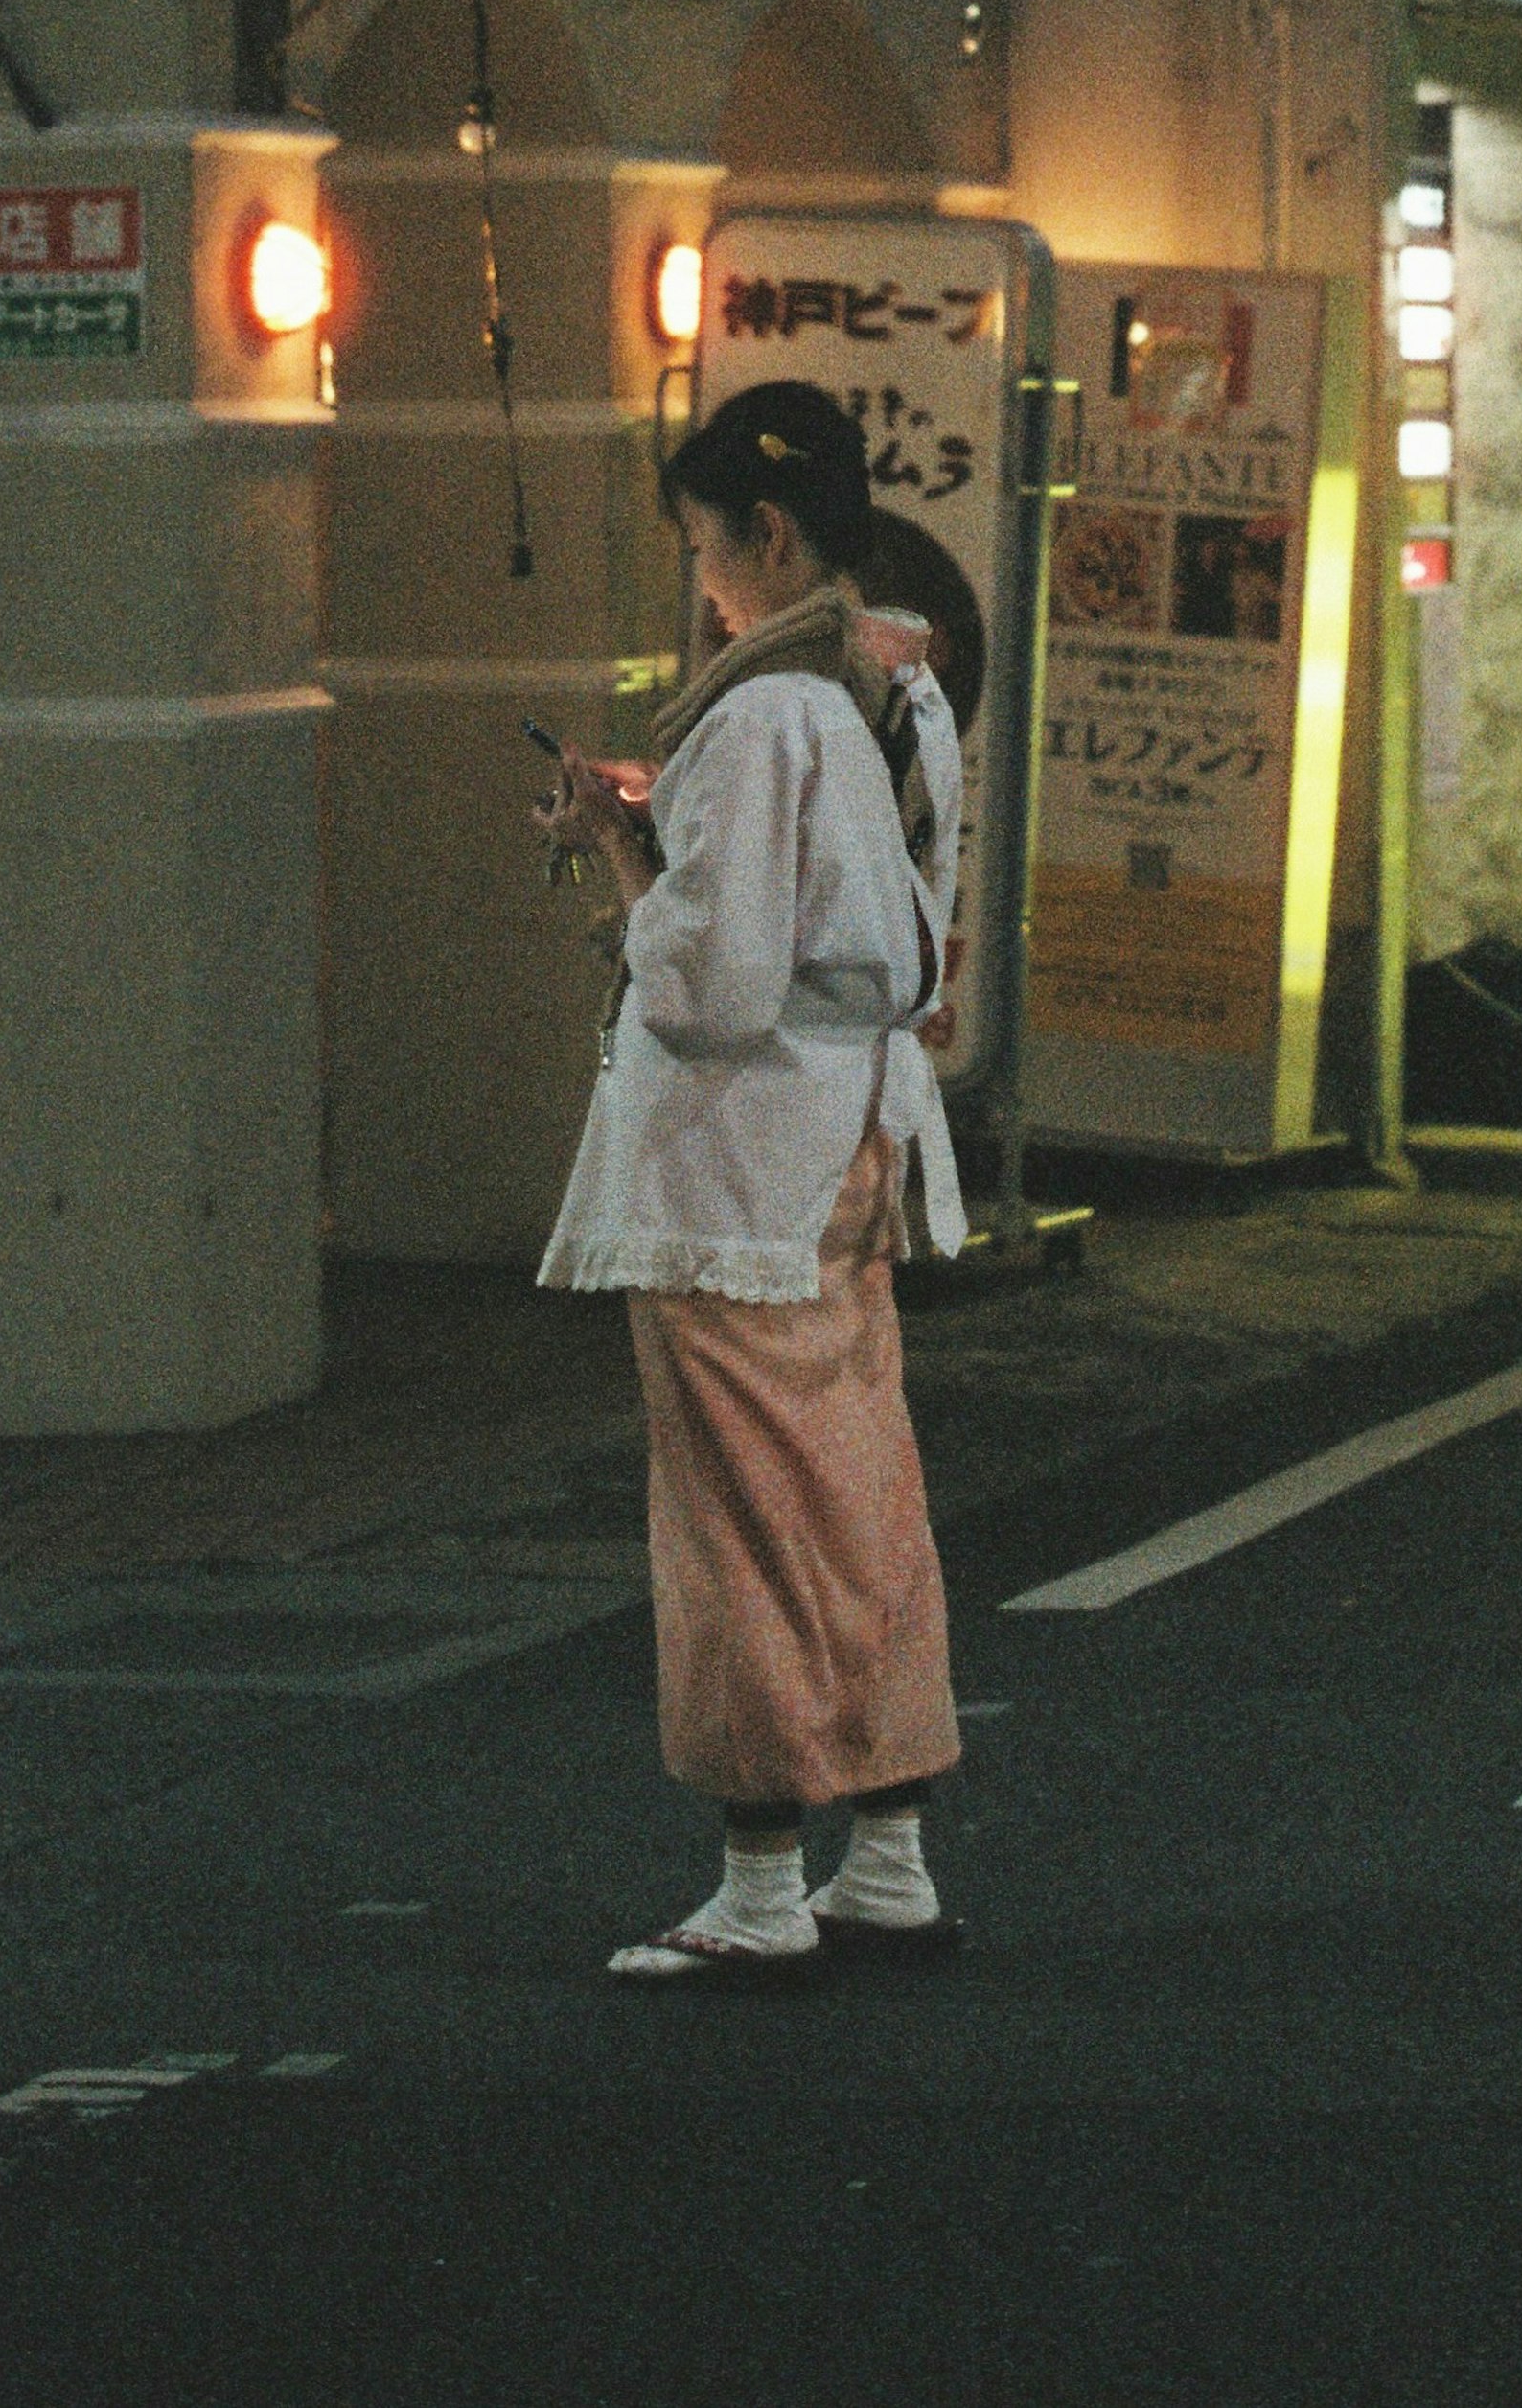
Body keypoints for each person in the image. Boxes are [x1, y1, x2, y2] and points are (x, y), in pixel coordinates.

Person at [535, 382, 967, 1985]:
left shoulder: (761, 711)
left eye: (707, 548)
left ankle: (762, 1875)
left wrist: (617, 849)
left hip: (733, 1170)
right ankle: (892, 1849)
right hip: (853, 1139)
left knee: (733, 1513)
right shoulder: (887, 686)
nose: (702, 582)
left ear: (765, 532)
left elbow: (710, 983)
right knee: (859, 1493)